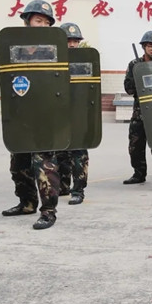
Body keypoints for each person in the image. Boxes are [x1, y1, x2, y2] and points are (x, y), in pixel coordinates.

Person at [1, 0, 61, 230]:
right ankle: (26, 203)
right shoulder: (15, 49)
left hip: (46, 117)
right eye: (38, 20)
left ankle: (48, 211)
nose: (43, 26)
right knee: (19, 164)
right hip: (21, 117)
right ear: (27, 22)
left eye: (47, 22)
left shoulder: (53, 51)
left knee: (44, 165)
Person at [122, 31, 152, 193]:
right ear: (144, 47)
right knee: (135, 146)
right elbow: (128, 89)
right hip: (139, 113)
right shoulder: (134, 64)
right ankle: (139, 174)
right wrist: (136, 77)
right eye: (150, 45)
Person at [56, 22, 90, 205]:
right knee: (60, 152)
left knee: (78, 153)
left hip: (78, 114)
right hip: (59, 114)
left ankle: (78, 190)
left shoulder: (84, 63)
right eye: (68, 40)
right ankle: (62, 186)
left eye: (75, 41)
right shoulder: (53, 62)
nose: (72, 44)